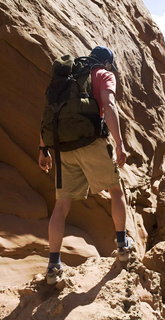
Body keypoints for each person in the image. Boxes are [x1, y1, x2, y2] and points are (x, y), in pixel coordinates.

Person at [38, 46, 133, 285]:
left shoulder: (66, 78)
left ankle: (53, 265)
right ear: (107, 63)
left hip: (63, 148)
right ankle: (122, 245)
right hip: (92, 142)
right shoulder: (102, 75)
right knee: (115, 190)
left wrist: (43, 149)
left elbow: (49, 115)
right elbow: (109, 106)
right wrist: (120, 143)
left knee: (61, 206)